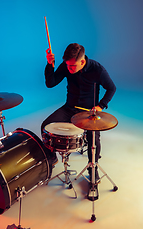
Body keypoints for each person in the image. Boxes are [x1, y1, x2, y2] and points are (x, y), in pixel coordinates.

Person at [41, 43, 116, 185]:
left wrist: (100, 106)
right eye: (67, 66)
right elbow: (50, 83)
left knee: (94, 139)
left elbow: (111, 88)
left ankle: (92, 168)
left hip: (88, 113)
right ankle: (51, 159)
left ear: (82, 62)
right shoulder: (66, 65)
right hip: (69, 108)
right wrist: (50, 64)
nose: (69, 69)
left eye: (72, 66)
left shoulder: (97, 69)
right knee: (46, 126)